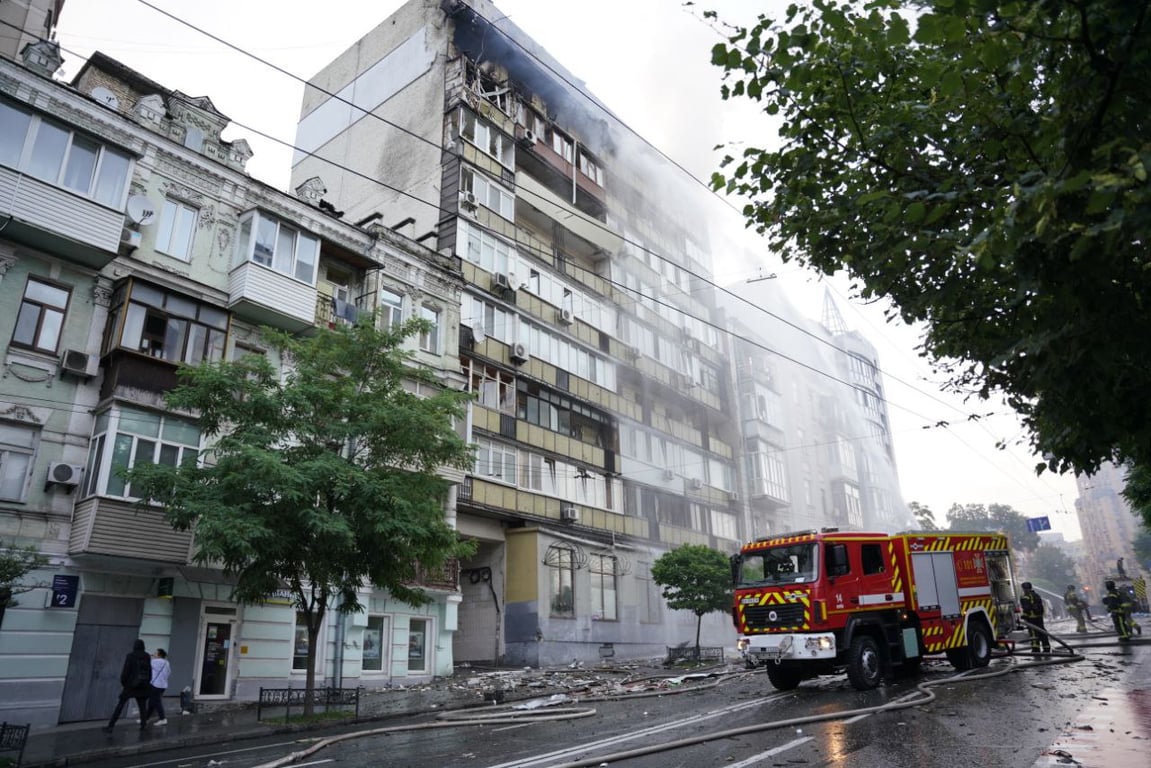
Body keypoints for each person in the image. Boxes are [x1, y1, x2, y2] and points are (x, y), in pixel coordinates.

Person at [103, 639, 154, 732]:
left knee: (120, 705)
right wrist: (146, 682)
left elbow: (126, 671)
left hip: (131, 685)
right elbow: (150, 671)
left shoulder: (131, 656)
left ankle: (111, 726)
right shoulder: (147, 656)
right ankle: (143, 725)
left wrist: (124, 683)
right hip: (143, 686)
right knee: (142, 707)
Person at [1019, 582, 1051, 653]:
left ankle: (1035, 649)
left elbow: (1027, 608)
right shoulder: (1036, 595)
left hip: (1031, 618)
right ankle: (1046, 647)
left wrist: (1024, 616)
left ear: (1024, 588)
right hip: (1039, 617)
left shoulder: (1025, 597)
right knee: (1042, 631)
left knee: (1033, 633)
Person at [144, 648, 171, 726]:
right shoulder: (167, 662)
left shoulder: (155, 661)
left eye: (155, 653)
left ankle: (163, 719)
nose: (154, 654)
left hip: (156, 685)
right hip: (163, 685)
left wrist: (149, 656)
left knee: (156, 702)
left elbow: (146, 664)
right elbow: (169, 673)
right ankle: (145, 719)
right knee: (152, 702)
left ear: (159, 655)